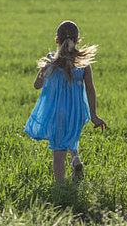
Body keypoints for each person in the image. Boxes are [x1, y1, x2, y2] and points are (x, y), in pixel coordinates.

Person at [24, 20, 107, 183]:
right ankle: (75, 159)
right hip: (76, 112)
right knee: (70, 138)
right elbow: (90, 89)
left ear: (57, 40)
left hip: (57, 112)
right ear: (78, 41)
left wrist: (45, 69)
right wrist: (94, 116)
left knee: (59, 151)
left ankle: (60, 188)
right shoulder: (84, 64)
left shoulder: (51, 62)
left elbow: (36, 85)